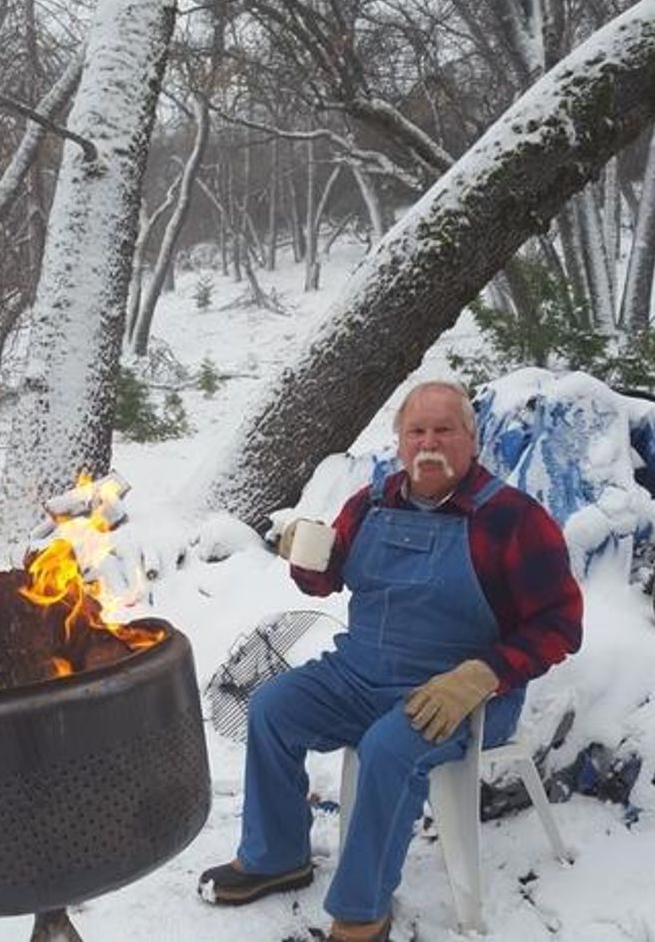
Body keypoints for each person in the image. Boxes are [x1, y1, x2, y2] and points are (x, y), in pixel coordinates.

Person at [199, 381, 583, 942]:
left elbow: (560, 623)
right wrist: (305, 556)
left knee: (387, 748)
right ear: (400, 443)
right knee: (273, 708)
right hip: (359, 673)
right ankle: (277, 855)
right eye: (416, 431)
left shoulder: (514, 519)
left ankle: (361, 911)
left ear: (471, 441)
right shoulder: (370, 504)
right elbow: (326, 580)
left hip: (459, 695)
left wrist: (483, 674)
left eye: (444, 430)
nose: (429, 442)